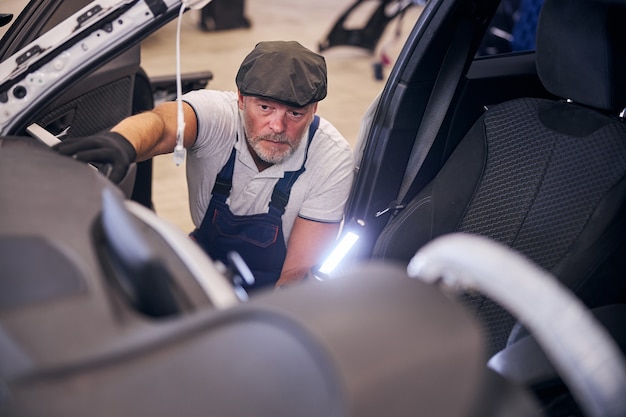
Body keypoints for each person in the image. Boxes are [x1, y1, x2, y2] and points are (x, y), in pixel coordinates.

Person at [53, 40, 355, 293]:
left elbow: (298, 273)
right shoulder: (217, 115)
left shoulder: (331, 158)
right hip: (204, 259)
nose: (277, 125)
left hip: (272, 288)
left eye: (295, 113)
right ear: (240, 99)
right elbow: (161, 123)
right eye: (265, 107)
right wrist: (123, 142)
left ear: (314, 109)